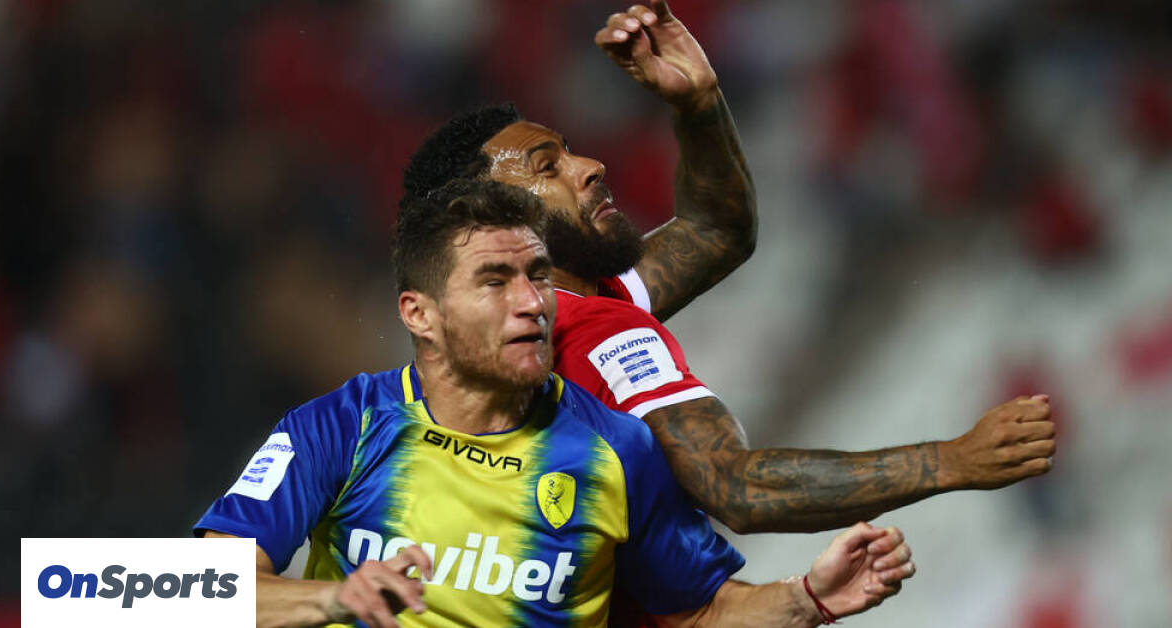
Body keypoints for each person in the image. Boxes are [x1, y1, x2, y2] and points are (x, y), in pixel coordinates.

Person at [400, 1, 1057, 535]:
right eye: (549, 168)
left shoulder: (468, 357)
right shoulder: (593, 332)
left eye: (567, 151)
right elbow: (735, 486)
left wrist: (700, 106)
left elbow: (717, 230)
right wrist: (950, 461)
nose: (591, 166)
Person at [195, 180, 916, 627]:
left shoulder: (616, 449)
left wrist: (808, 597)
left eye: (538, 275)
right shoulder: (342, 427)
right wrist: (330, 599)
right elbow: (199, 588)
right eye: (494, 280)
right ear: (420, 313)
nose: (531, 302)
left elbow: (697, 614)